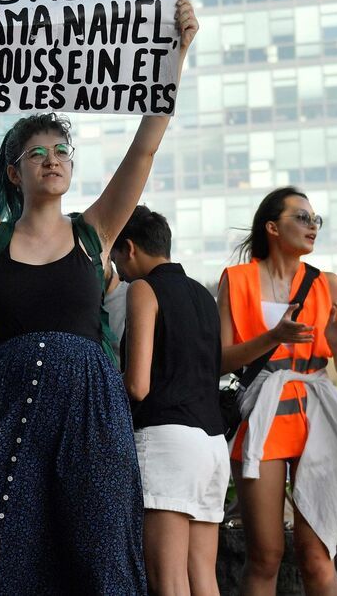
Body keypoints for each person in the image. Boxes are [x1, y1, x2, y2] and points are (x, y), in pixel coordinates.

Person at [0, 0, 199, 595]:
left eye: (61, 151)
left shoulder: (95, 232)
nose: (52, 159)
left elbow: (145, 148)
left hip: (87, 409)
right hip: (4, 405)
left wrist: (175, 56)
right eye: (36, 153)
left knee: (92, 558)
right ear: (14, 172)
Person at [219, 186, 337, 595]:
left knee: (317, 554)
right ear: (272, 227)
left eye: (315, 219)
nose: (312, 226)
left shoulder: (328, 284)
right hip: (263, 413)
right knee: (265, 555)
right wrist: (272, 337)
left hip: (315, 414)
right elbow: (221, 359)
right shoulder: (237, 279)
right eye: (301, 217)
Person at [110, 206, 229, 596]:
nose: (119, 271)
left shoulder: (143, 289)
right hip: (212, 445)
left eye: (115, 257)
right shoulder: (202, 295)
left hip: (167, 442)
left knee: (169, 581)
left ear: (128, 248)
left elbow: (138, 385)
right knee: (203, 579)